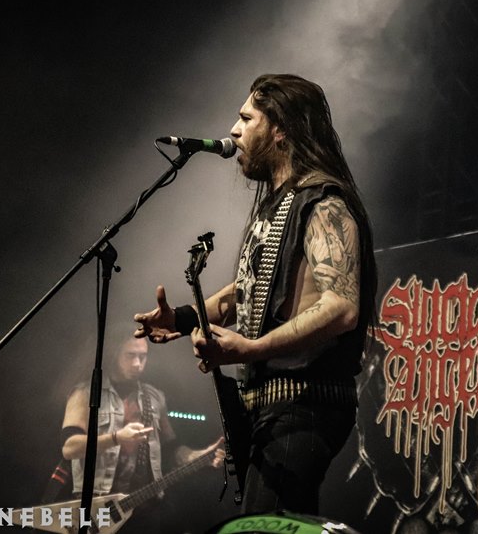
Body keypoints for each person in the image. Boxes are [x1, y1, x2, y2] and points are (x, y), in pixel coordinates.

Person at [134, 73, 377, 516]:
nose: (233, 130)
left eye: (247, 119)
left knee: (264, 525)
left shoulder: (323, 202)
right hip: (267, 406)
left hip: (305, 402)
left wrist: (252, 348)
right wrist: (182, 319)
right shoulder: (276, 204)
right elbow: (249, 287)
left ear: (281, 129)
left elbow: (341, 307)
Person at [60, 326, 223, 532]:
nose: (138, 363)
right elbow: (69, 448)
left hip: (146, 510)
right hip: (99, 512)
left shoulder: (154, 397)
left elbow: (171, 449)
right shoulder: (85, 394)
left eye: (142, 357)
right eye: (130, 356)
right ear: (114, 355)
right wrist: (116, 438)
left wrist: (199, 456)